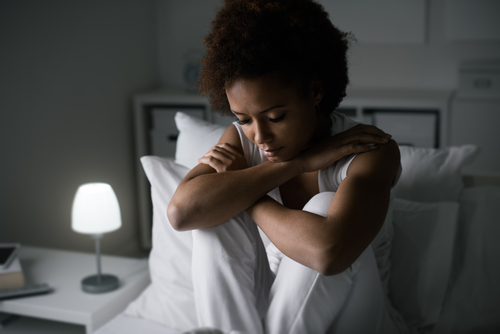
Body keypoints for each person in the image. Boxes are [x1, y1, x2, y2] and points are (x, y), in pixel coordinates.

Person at [168, 0, 403, 333]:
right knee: (213, 213)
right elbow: (182, 213)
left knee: (321, 206)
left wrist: (246, 191)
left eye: (276, 117)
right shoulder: (243, 139)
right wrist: (300, 163)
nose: (260, 136)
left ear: (315, 90)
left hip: (358, 314)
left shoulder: (368, 150)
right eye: (243, 119)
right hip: (282, 309)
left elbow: (328, 254)